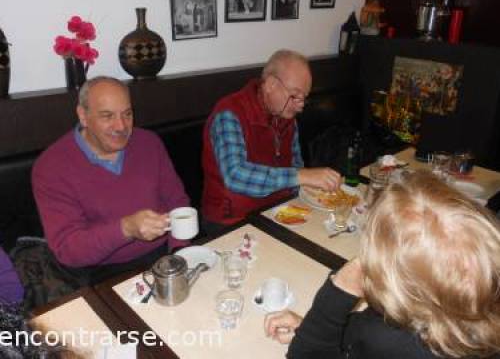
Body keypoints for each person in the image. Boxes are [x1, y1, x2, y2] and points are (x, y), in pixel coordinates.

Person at [265, 170, 500, 358]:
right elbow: (363, 330)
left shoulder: (388, 340)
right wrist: (310, 327)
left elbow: (305, 354)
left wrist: (337, 293)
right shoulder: (470, 315)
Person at [32, 76, 189, 285]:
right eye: (107, 116)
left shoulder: (148, 143)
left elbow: (177, 201)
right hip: (103, 273)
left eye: (128, 114)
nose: (121, 126)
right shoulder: (52, 166)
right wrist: (126, 228)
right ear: (83, 115)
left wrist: (178, 254)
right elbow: (68, 249)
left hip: (164, 256)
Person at [202, 50, 341, 231]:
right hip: (232, 221)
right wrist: (302, 176)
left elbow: (295, 165)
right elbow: (235, 175)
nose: (300, 106)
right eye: (294, 95)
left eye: (304, 98)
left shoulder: (286, 115)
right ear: (270, 84)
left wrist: (313, 189)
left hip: (276, 212)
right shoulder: (229, 113)